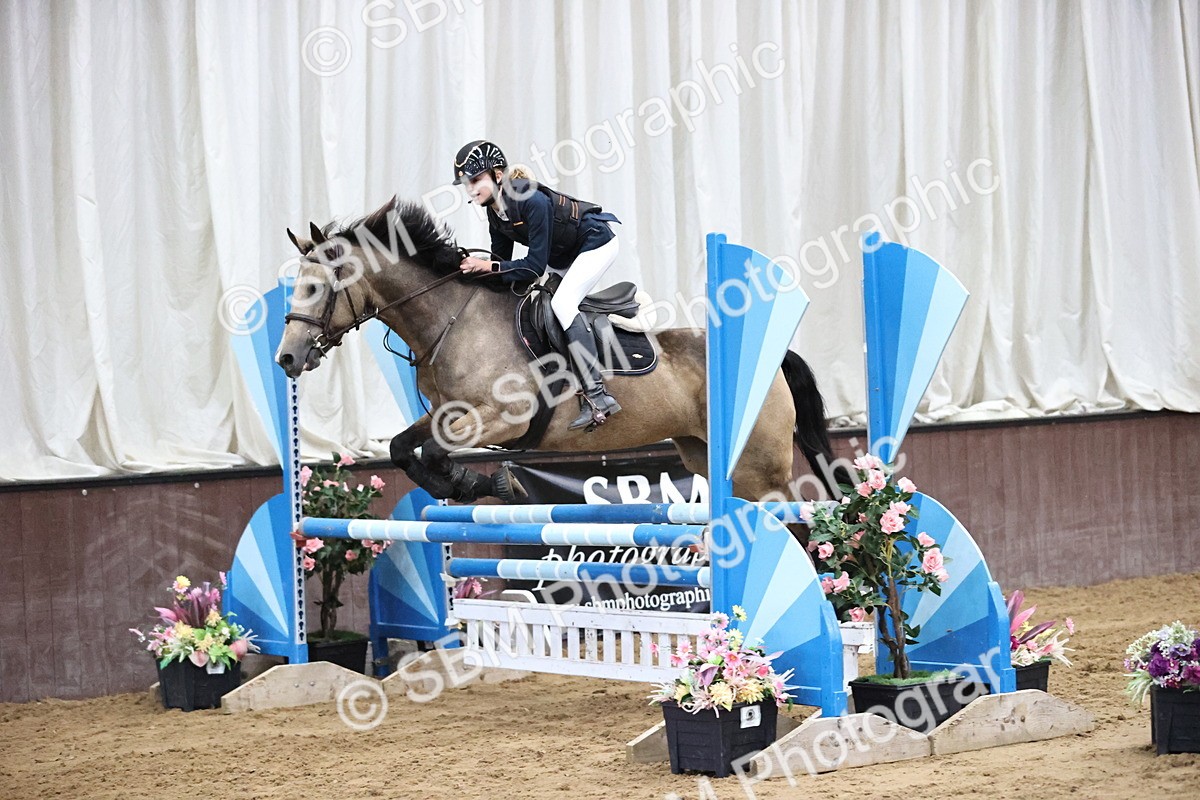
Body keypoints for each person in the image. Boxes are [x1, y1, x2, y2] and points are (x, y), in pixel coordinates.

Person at [454, 139, 622, 430]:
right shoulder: (495, 211)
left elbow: (532, 267)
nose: (471, 189)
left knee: (562, 303)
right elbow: (500, 262)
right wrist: (467, 272)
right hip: (564, 255)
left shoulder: (532, 201)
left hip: (596, 242)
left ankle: (598, 394)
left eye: (476, 180)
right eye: (466, 184)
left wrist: (489, 266)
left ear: (497, 174)